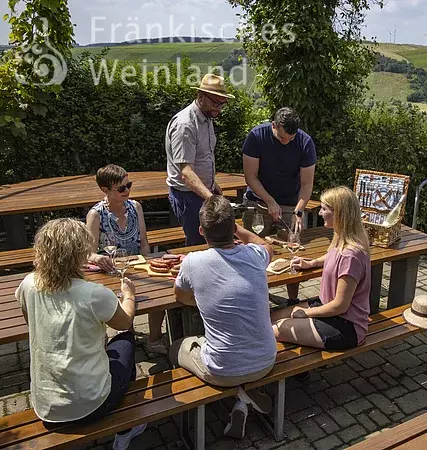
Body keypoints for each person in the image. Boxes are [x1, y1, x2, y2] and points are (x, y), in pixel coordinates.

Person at [15, 219, 146, 450]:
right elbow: (125, 321)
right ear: (80, 254)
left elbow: (32, 324)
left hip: (45, 406)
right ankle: (126, 428)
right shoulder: (94, 293)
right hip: (91, 404)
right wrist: (129, 295)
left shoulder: (28, 284)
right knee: (125, 339)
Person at [170, 196, 277, 439]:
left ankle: (232, 398)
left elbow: (180, 297)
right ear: (233, 229)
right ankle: (242, 400)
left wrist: (204, 298)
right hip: (266, 360)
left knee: (176, 347)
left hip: (222, 370)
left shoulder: (192, 262)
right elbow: (266, 245)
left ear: (200, 231)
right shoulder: (254, 255)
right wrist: (238, 228)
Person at [273, 186, 371, 351]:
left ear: (339, 214)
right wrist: (313, 263)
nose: (319, 213)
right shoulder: (340, 238)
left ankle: (296, 369)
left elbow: (340, 306)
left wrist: (306, 313)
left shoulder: (351, 256)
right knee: (271, 317)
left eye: (324, 209)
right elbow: (332, 256)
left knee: (275, 328)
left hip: (346, 325)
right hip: (328, 308)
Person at [86, 164, 168, 356]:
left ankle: (154, 339)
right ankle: (127, 338)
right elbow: (88, 253)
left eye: (128, 185)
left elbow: (144, 243)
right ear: (105, 190)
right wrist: (98, 258)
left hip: (136, 267)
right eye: (121, 188)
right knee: (120, 303)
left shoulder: (135, 207)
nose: (127, 190)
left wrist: (148, 264)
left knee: (161, 292)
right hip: (110, 272)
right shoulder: (96, 214)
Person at [242, 107, 317, 306]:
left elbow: (307, 183)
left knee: (294, 251)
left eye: (291, 139)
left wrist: (298, 211)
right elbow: (250, 176)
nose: (287, 142)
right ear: (273, 125)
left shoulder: (305, 142)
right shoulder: (256, 136)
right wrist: (269, 201)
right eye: (283, 138)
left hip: (291, 204)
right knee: (253, 253)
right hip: (258, 202)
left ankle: (293, 300)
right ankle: (255, 298)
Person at [165, 73, 235, 246]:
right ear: (200, 96)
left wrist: (212, 183)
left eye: (222, 103)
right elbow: (186, 173)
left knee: (211, 245)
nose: (219, 109)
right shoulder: (185, 125)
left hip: (202, 192)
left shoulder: (206, 116)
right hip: (188, 197)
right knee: (199, 247)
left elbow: (203, 157)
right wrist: (212, 200)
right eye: (215, 102)